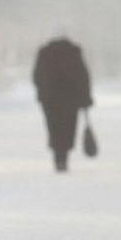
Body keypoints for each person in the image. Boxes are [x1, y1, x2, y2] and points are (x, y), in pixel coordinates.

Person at [32, 36, 93, 172]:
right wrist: (85, 98)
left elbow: (37, 76)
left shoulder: (45, 54)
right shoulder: (73, 53)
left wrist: (42, 93)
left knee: (54, 128)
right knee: (68, 127)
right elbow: (83, 77)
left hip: (50, 100)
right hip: (70, 99)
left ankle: (58, 156)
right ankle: (64, 157)